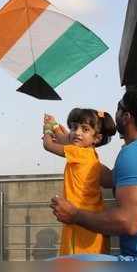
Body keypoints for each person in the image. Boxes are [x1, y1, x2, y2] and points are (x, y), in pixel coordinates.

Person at [50, 86, 137, 261]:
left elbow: (127, 222)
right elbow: (106, 178)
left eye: (118, 108)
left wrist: (74, 215)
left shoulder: (136, 154)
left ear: (126, 117)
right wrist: (75, 146)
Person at [43, 109, 116, 255]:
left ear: (97, 138)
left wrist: (47, 130)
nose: (77, 132)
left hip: (78, 219)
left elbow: (48, 145)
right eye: (74, 127)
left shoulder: (77, 153)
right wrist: (55, 126)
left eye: (85, 129)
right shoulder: (92, 155)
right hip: (94, 220)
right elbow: (67, 139)